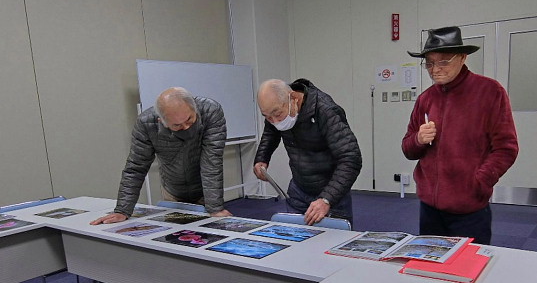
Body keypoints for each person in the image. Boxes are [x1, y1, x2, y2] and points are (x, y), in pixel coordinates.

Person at [402, 27, 519, 245]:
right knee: (430, 262)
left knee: (468, 265)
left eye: (443, 62)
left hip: (469, 209)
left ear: (463, 58)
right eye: (429, 63)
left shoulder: (490, 92)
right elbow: (408, 148)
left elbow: (506, 148)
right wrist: (418, 139)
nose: (435, 70)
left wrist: (479, 181)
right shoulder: (425, 99)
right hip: (429, 208)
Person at [91, 87, 232, 225]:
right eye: (177, 125)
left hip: (205, 191)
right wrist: (122, 210)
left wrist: (215, 208)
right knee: (175, 234)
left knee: (209, 232)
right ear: (162, 122)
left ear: (194, 108)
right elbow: (136, 168)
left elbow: (211, 162)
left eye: (189, 119)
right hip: (172, 191)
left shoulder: (210, 111)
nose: (186, 127)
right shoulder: (146, 124)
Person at [254, 78, 362, 226]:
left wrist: (327, 199)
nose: (274, 121)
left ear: (294, 98)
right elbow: (270, 133)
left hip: (331, 191)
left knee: (332, 239)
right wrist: (262, 158)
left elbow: (351, 158)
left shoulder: (325, 110)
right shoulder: (276, 108)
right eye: (267, 117)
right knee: (294, 236)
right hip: (299, 188)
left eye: (277, 114)